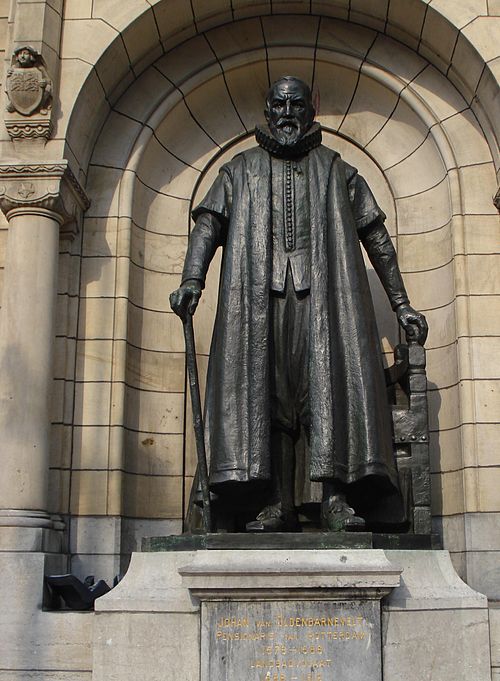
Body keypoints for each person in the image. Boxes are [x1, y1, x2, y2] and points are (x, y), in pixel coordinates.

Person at [170, 76, 427, 532]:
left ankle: (334, 500)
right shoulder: (238, 169)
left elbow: (377, 238)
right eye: (279, 104)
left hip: (326, 303)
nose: (287, 113)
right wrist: (193, 279)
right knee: (266, 401)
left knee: (326, 394)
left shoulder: (337, 169)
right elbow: (208, 225)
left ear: (312, 111)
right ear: (267, 112)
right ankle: (275, 503)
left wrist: (402, 304)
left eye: (297, 104)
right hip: (256, 305)